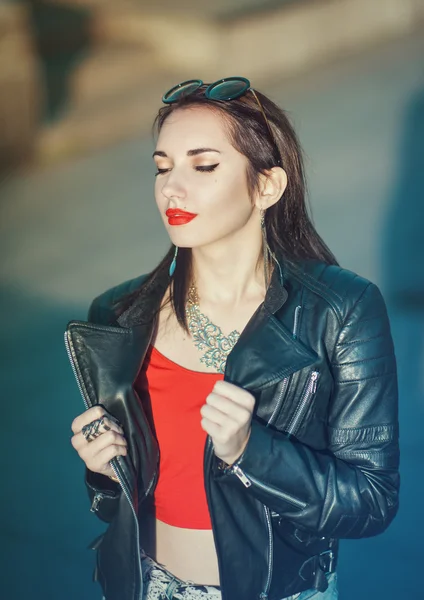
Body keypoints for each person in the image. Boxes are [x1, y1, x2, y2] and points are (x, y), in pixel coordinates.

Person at [68, 77, 399, 600]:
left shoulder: (339, 310)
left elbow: (371, 500)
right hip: (145, 584)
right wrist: (104, 470)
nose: (171, 187)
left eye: (203, 166)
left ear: (266, 186)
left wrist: (251, 450)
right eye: (162, 167)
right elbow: (120, 502)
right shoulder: (119, 314)